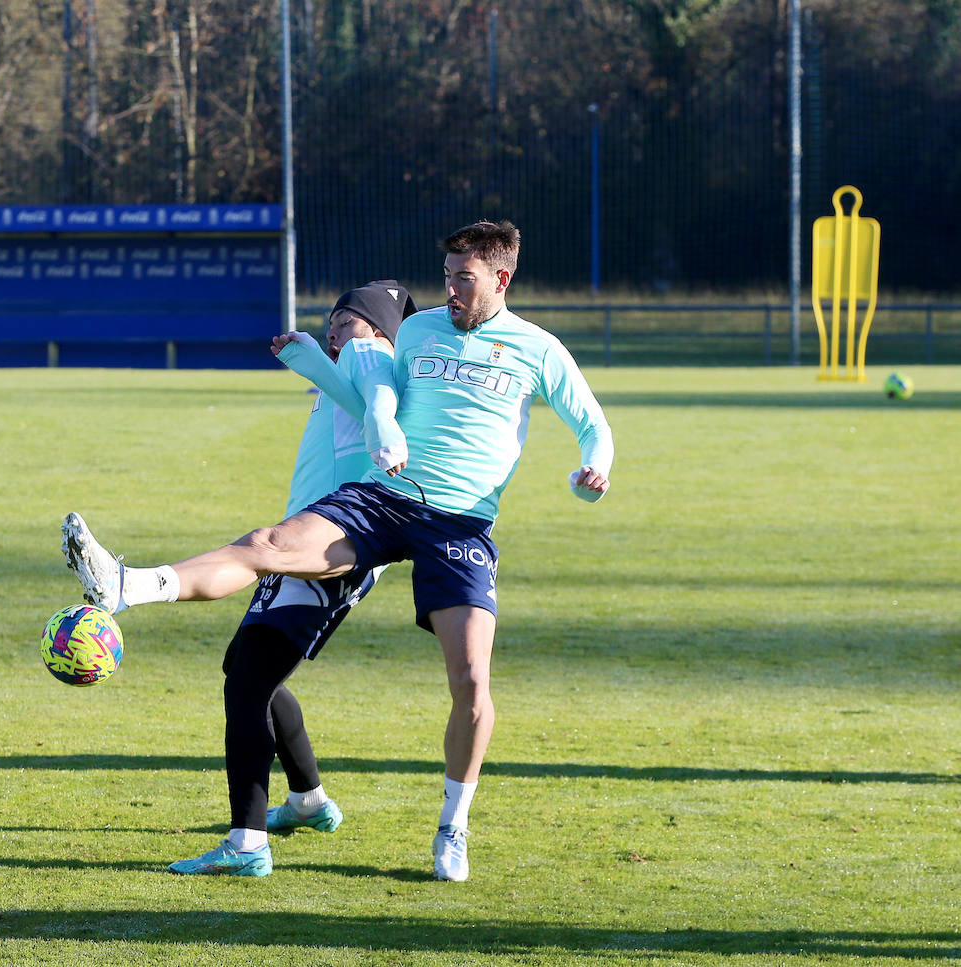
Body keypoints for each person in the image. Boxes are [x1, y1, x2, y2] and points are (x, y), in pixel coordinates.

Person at [63, 220, 613, 882]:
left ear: (501, 277)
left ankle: (452, 825)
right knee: (267, 546)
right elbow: (374, 391)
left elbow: (592, 422)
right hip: (384, 497)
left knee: (469, 678)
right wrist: (358, 403)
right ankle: (126, 584)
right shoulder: (418, 331)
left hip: (461, 525)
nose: (450, 289)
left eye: (463, 278)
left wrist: (594, 468)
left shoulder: (538, 349)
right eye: (446, 275)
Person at [166, 281, 416, 877]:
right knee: (251, 672)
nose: (338, 331)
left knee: (248, 681)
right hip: (319, 544)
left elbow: (373, 410)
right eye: (333, 321)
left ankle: (246, 844)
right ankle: (307, 801)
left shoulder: (369, 357)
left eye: (350, 320)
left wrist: (307, 355)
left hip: (322, 545)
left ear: (380, 329)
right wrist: (310, 356)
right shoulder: (360, 362)